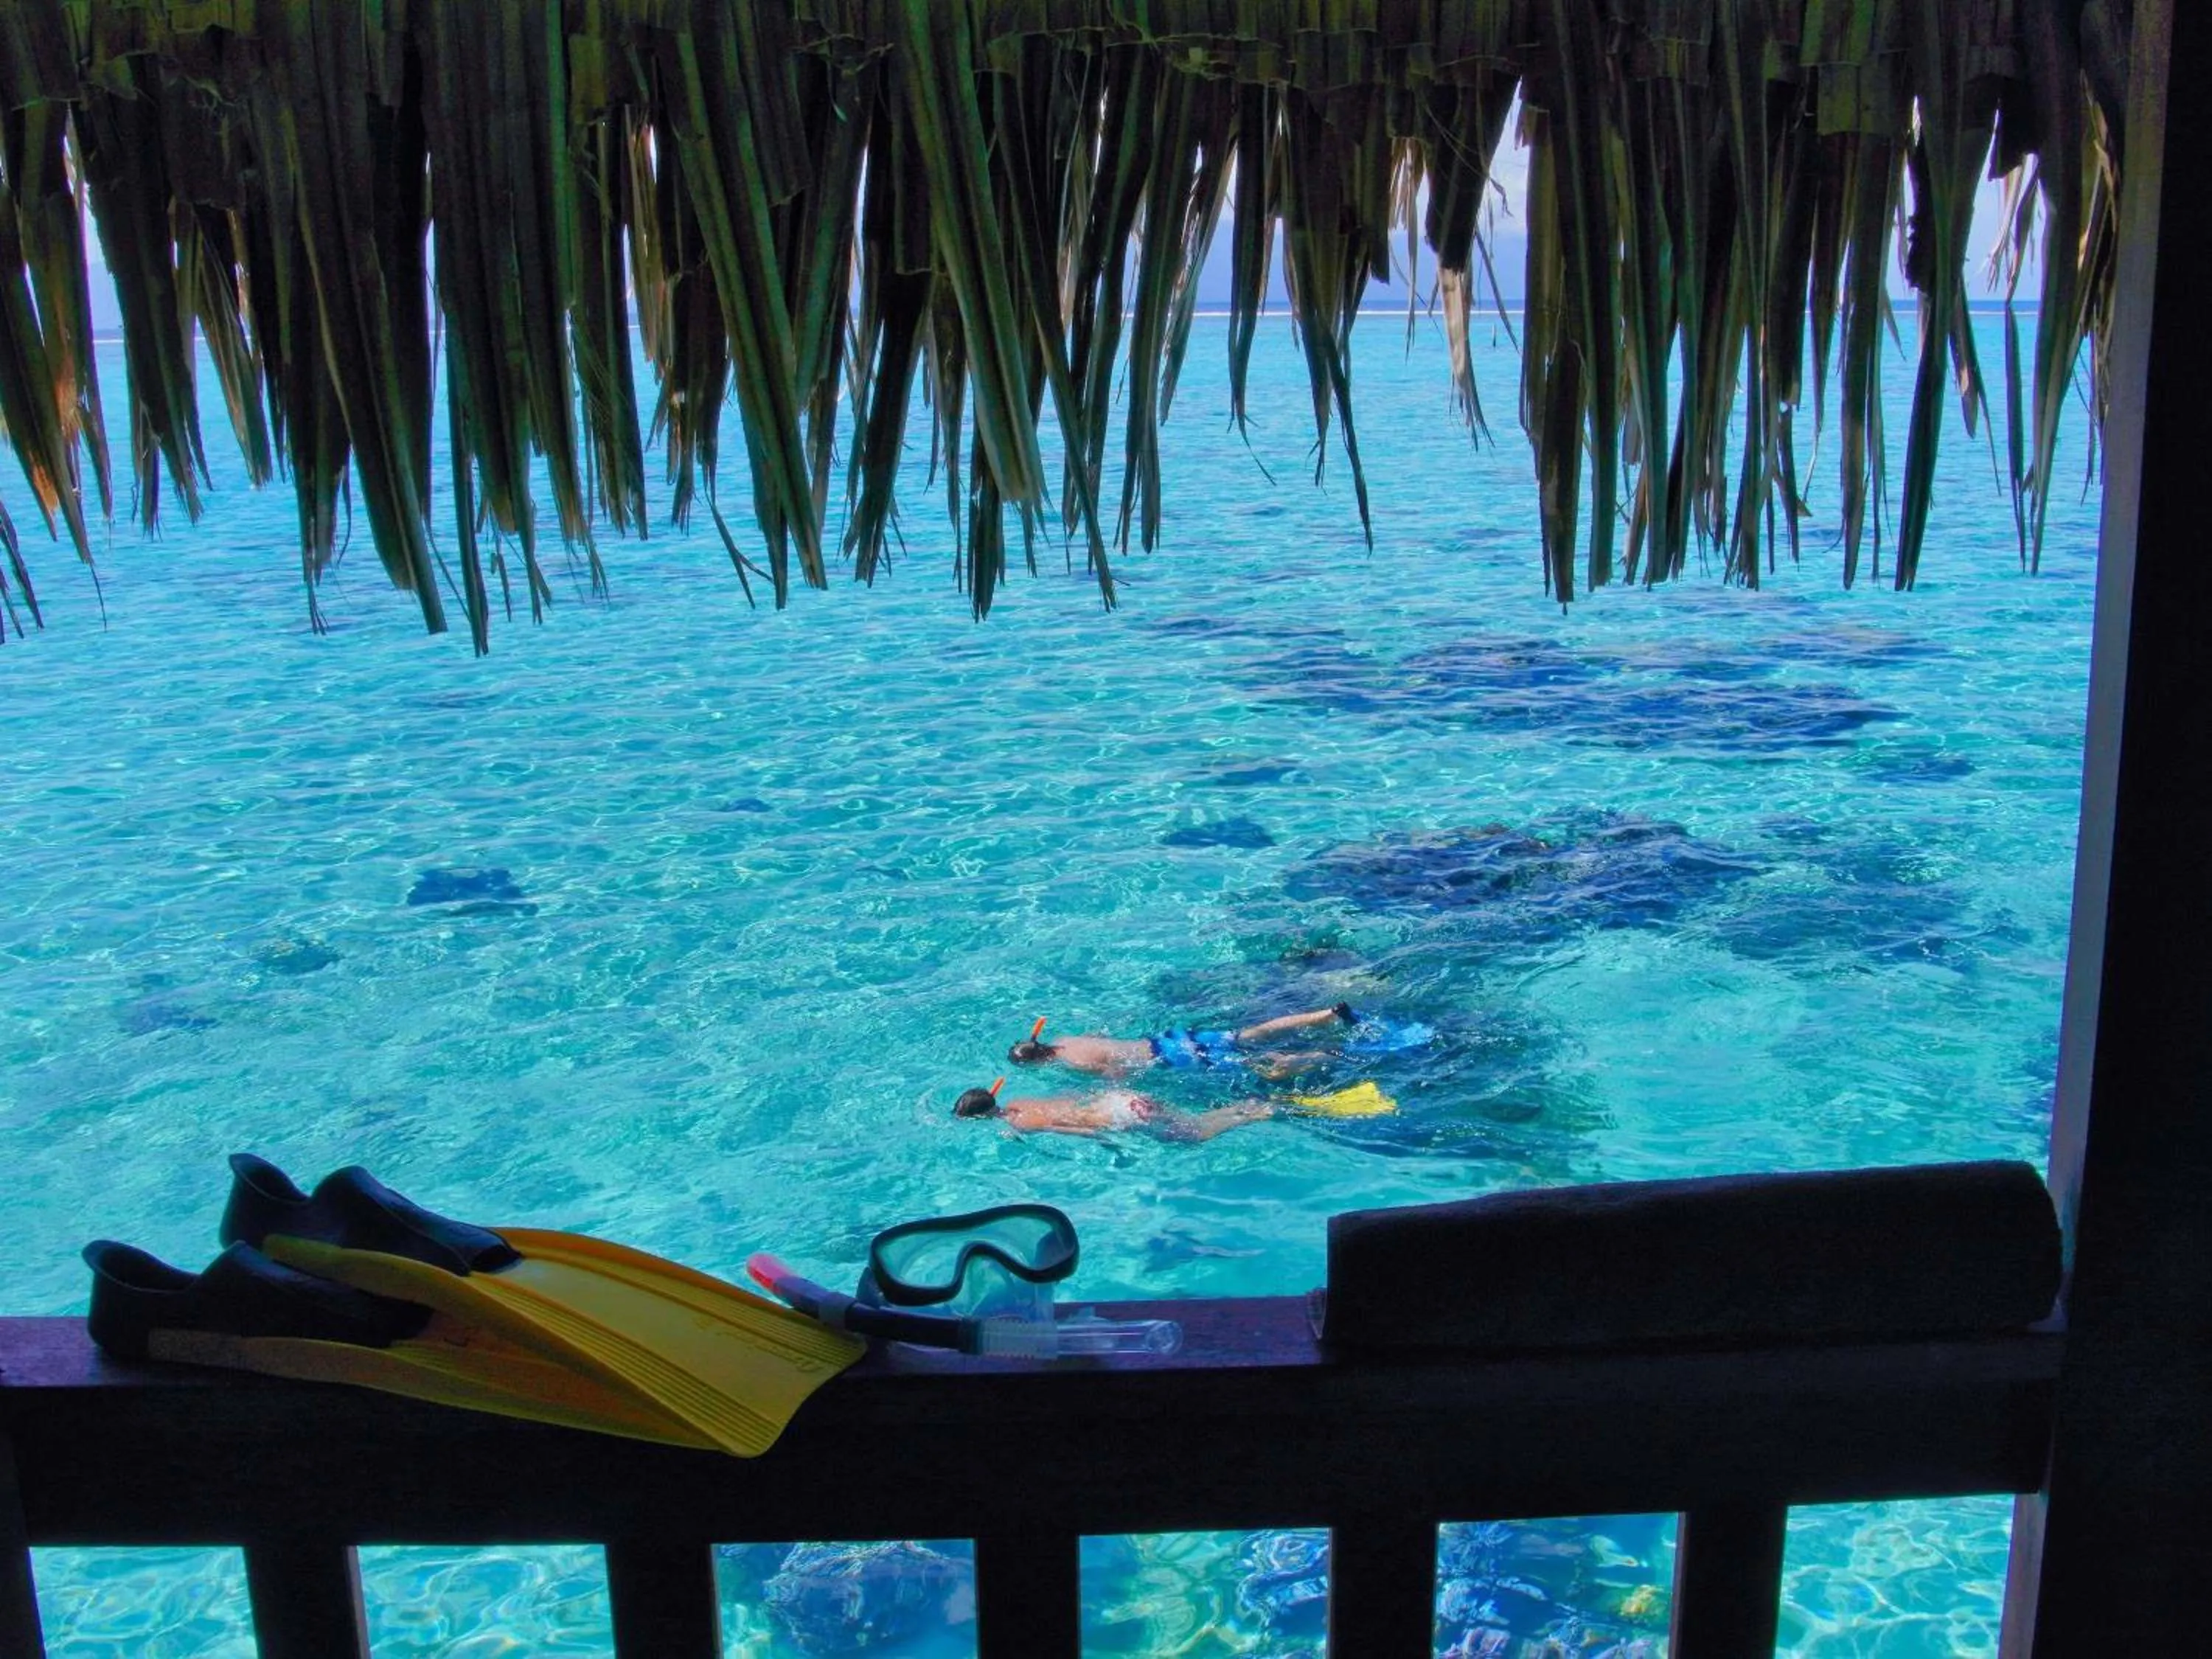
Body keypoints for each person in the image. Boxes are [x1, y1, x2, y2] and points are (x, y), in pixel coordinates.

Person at [1007, 1005, 1358, 1081]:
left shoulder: (1073, 1063)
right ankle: (1326, 1014)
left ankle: (1326, 1054)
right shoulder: (1067, 1041)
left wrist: (1113, 1093)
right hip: (1170, 1039)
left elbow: (1113, 1069)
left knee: (1261, 1068)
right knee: (1250, 1035)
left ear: (1038, 1062)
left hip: (1174, 1059)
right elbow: (1100, 1040)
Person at [952, 1081, 1276, 1143]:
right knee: (1191, 1122)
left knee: (1196, 1136)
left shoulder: (1023, 1123)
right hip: (1120, 1098)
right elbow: (1073, 1097)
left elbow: (1084, 1131)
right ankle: (1244, 1108)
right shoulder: (1021, 1100)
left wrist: (1113, 1148)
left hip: (1125, 1117)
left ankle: (1257, 1114)